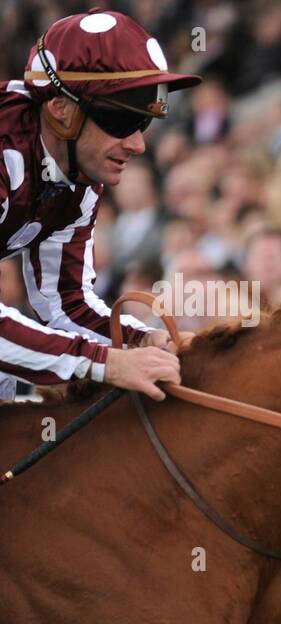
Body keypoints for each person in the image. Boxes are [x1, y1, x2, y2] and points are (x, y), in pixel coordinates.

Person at [0, 9, 200, 403]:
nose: (138, 145)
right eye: (121, 122)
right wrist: (102, 362)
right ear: (61, 110)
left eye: (142, 124)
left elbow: (66, 302)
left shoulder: (78, 172)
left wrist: (142, 339)